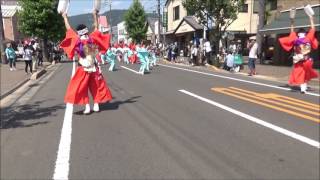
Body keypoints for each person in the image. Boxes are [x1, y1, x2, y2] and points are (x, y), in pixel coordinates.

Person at [59, 9, 112, 114]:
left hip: (83, 68)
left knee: (81, 88)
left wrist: (65, 17)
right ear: (87, 31)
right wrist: (94, 15)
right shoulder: (92, 38)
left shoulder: (77, 39)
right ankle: (96, 104)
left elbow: (69, 29)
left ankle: (88, 106)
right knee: (96, 86)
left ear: (79, 33)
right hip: (93, 67)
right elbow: (96, 27)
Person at [279, 7, 318, 94]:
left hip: (301, 60)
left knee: (302, 74)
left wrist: (292, 21)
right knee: (303, 74)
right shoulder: (307, 38)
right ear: (304, 33)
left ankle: (303, 88)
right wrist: (310, 18)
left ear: (299, 34)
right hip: (305, 59)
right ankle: (303, 88)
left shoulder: (297, 39)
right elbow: (313, 29)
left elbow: (292, 31)